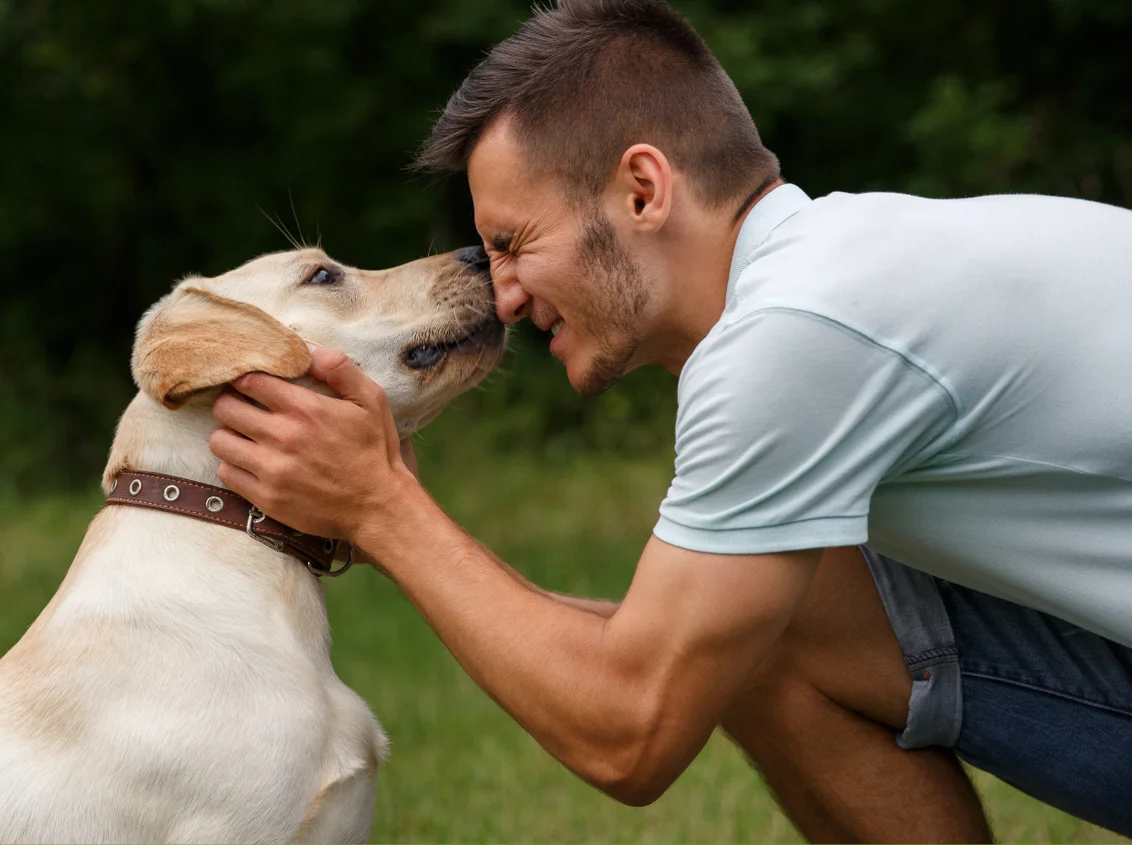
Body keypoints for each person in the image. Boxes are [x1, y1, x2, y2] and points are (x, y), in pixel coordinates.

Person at [207, 0, 1132, 839]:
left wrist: (384, 509)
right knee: (750, 626)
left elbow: (630, 727)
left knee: (748, 642)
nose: (506, 295)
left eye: (512, 244)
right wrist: (389, 522)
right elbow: (668, 645)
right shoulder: (856, 268)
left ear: (643, 190)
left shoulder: (792, 336)